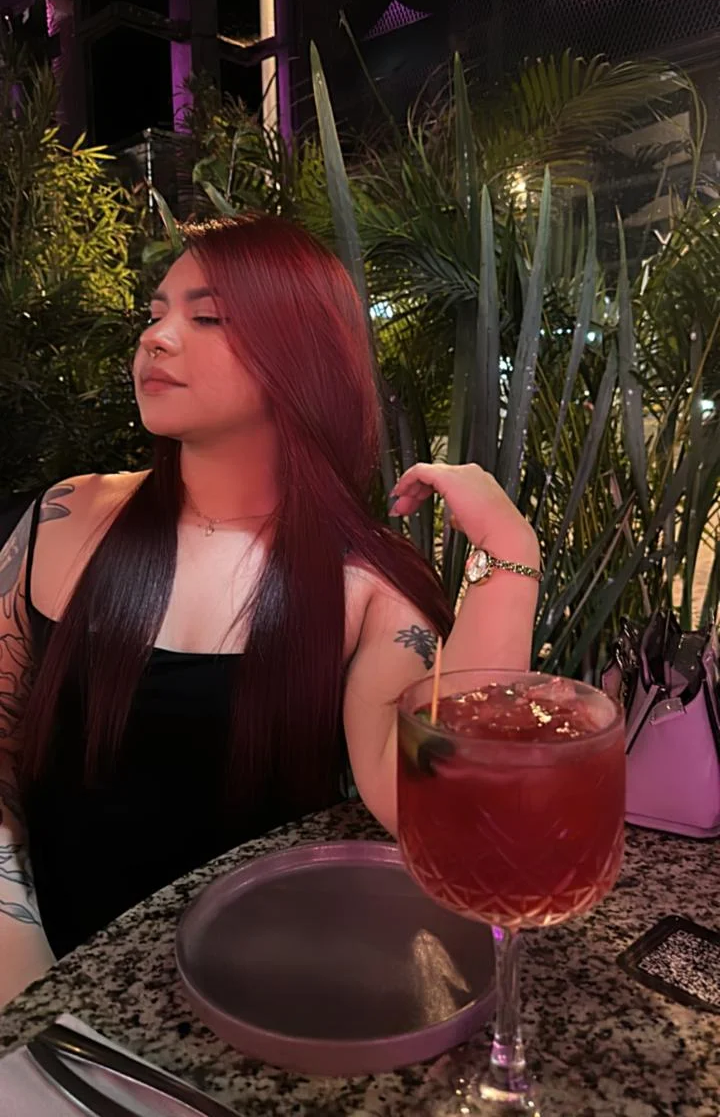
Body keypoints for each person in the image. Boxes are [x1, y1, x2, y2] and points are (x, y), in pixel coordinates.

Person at [0, 215, 540, 1010]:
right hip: (46, 999)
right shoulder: (66, 518)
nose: (156, 337)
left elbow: (450, 819)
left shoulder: (368, 591)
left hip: (264, 1006)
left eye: (207, 317)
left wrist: (509, 553)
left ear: (301, 353)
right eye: (156, 313)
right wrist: (15, 939)